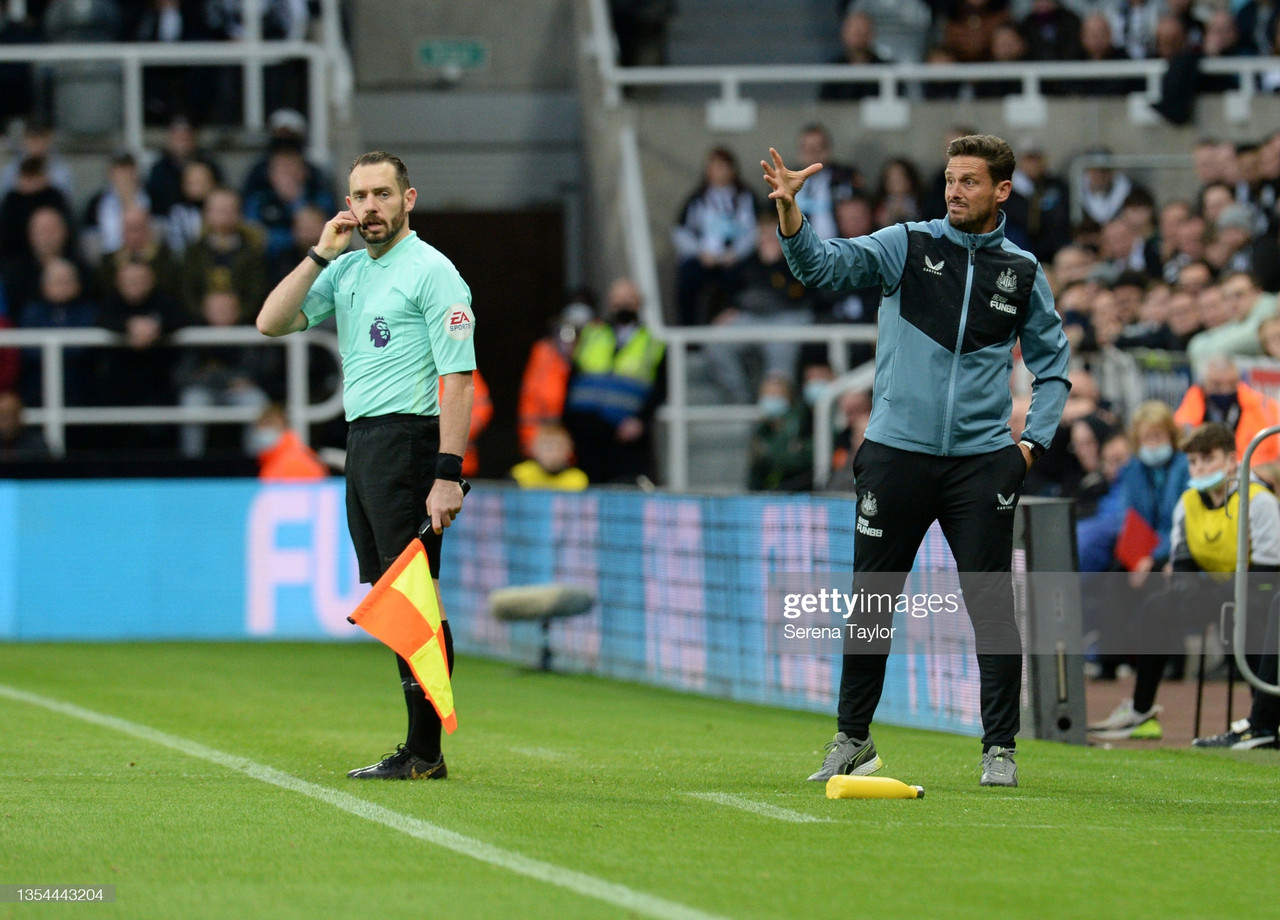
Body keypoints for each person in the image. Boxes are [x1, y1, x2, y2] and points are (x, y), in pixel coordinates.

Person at [762, 132, 1070, 787]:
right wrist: (790, 211)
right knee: (871, 605)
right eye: (951, 180)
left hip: (983, 465)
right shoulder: (906, 243)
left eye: (969, 182)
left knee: (991, 608)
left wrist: (1028, 447)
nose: (955, 191)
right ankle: (852, 741)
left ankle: (999, 750)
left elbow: (1054, 367)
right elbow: (820, 266)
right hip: (895, 457)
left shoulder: (1020, 272)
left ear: (1001, 191)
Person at [256, 151, 476, 781]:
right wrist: (319, 254)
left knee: (414, 597)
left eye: (382, 194)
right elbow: (271, 322)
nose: (369, 208)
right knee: (398, 598)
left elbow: (457, 380)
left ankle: (425, 752)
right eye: (359, 196)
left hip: (409, 444)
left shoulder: (434, 273)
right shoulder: (347, 270)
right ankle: (422, 750)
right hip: (366, 443)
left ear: (410, 199)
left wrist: (446, 471)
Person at [1090, 423, 1280, 740]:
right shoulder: (1187, 503)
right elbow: (1182, 560)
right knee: (1158, 606)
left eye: (1208, 459)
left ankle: (1264, 720)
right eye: (1193, 462)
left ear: (1232, 461)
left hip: (1259, 588)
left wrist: (1218, 595)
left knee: (1247, 614)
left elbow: (1267, 573)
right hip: (1214, 588)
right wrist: (1186, 588)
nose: (1199, 467)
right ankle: (1142, 713)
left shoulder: (1258, 501)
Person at [563, 278, 665, 484]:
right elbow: (572, 376)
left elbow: (661, 386)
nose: (623, 304)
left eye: (629, 298)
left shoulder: (654, 340)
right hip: (585, 430)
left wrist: (640, 420)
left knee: (624, 487)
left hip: (624, 433)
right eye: (618, 299)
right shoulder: (592, 332)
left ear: (639, 302)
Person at [1174, 353, 1280, 466]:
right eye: (1217, 384)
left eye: (1232, 383)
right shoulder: (1187, 413)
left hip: (1254, 477)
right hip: (1204, 477)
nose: (1225, 390)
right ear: (1203, 384)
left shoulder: (1265, 407)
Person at [252, 403, 328, 481]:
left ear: (284, 426)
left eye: (270, 424)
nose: (263, 429)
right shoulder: (278, 460)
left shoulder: (294, 463)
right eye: (261, 425)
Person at [510, 424, 589, 491]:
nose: (553, 452)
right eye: (547, 447)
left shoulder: (578, 479)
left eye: (559, 447)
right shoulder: (519, 474)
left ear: (569, 450)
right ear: (534, 449)